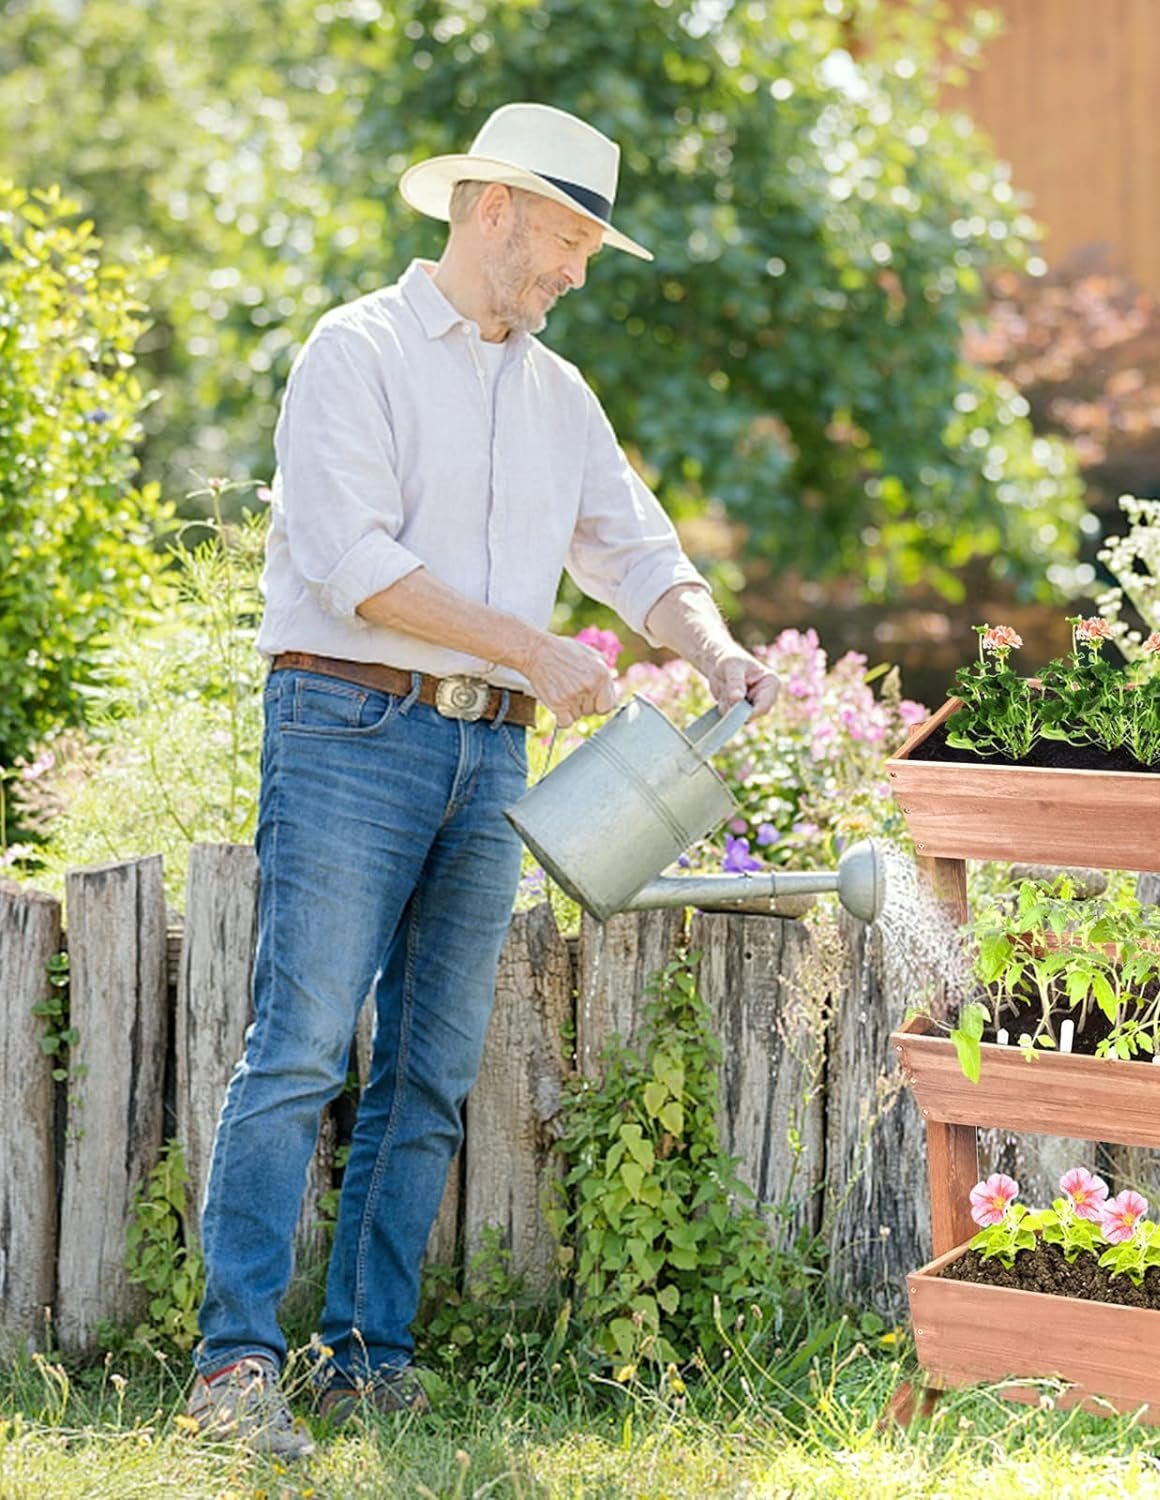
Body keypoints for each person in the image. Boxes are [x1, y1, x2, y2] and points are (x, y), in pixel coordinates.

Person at [185, 101, 780, 1457]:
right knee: (297, 1048)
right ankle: (233, 1371)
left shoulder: (559, 394)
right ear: (491, 208)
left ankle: (365, 1362)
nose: (579, 271)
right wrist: (532, 646)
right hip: (348, 727)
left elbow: (638, 555)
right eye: (571, 238)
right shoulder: (360, 351)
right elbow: (356, 567)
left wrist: (718, 648)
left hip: (489, 754)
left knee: (433, 1069)